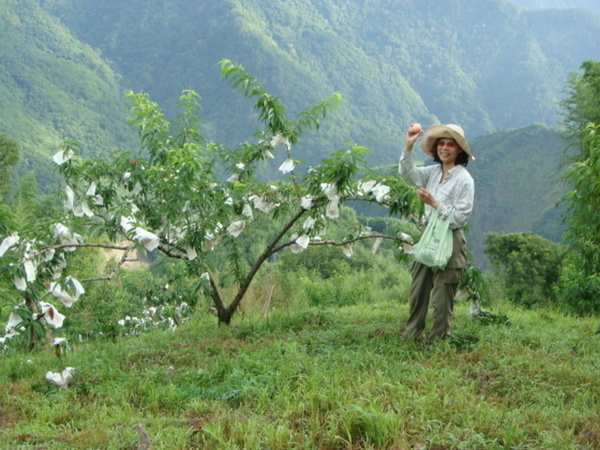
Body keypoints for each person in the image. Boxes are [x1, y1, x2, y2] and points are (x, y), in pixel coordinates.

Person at [399, 123, 475, 344]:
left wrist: (435, 203)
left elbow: (461, 218)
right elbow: (407, 174)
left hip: (450, 238)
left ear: (458, 150)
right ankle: (413, 333)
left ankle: (438, 341)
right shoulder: (433, 173)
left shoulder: (464, 180)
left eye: (450, 144)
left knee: (443, 293)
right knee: (419, 287)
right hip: (429, 234)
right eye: (441, 144)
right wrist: (408, 145)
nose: (444, 148)